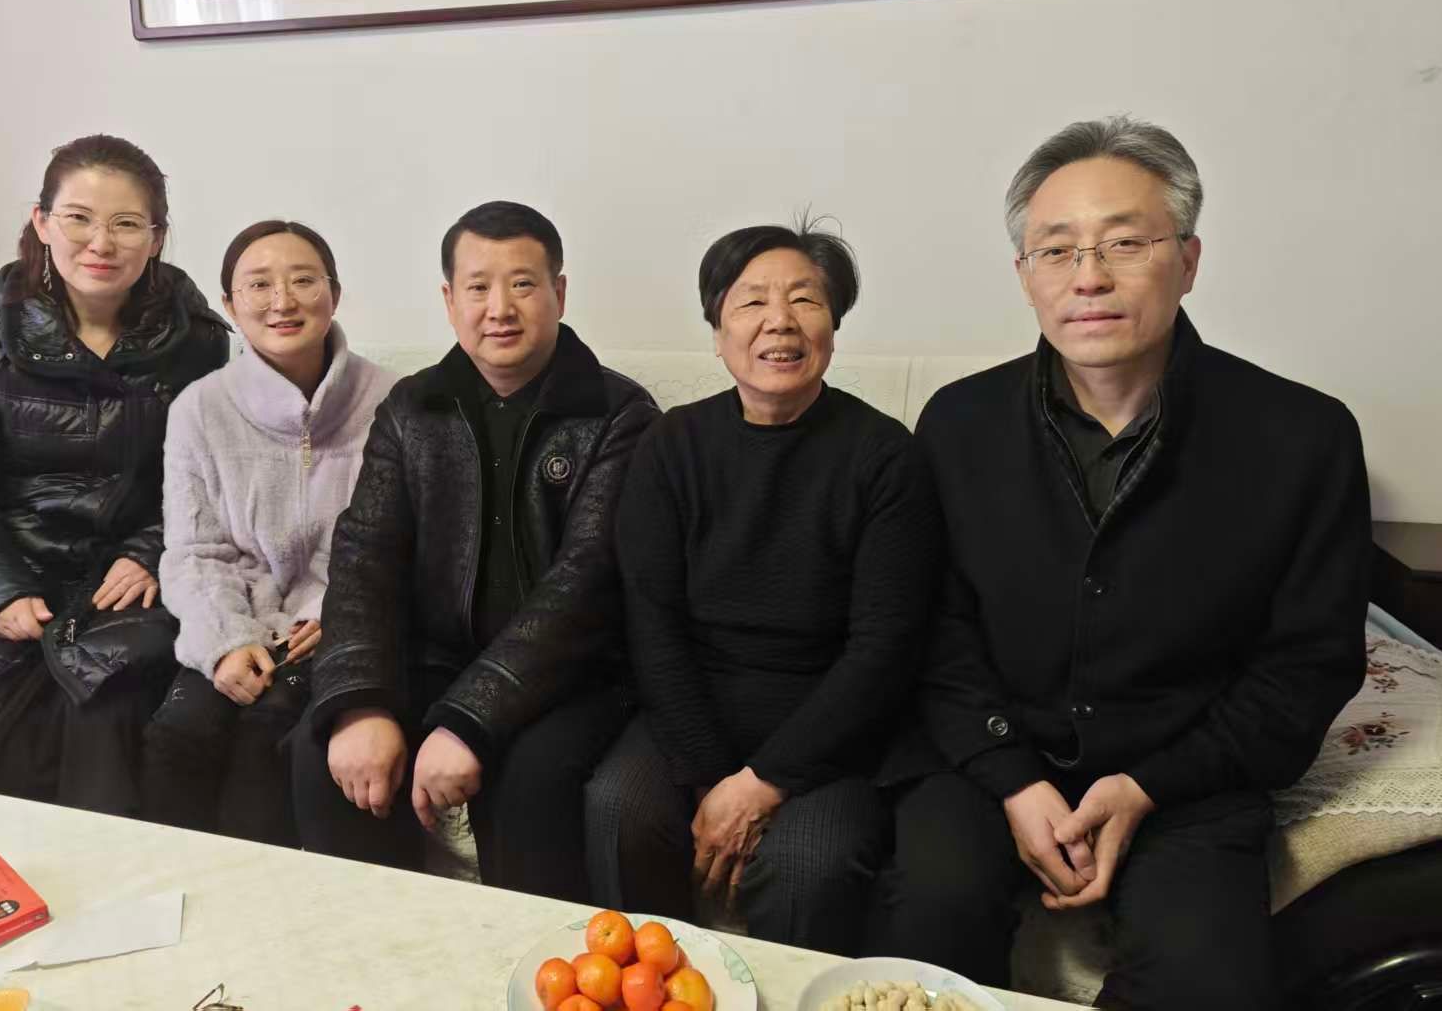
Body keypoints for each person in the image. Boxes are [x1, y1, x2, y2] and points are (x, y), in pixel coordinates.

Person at [872, 116, 1373, 1007]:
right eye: (1057, 250)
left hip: (1189, 775)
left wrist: (1148, 784)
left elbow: (1309, 664)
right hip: (990, 758)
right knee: (923, 933)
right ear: (1024, 275)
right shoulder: (957, 422)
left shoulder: (1304, 436)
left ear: (1189, 259)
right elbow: (933, 630)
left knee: (1210, 982)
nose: (1089, 276)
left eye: (1124, 243)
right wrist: (1013, 779)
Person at [585, 221, 941, 954]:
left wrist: (762, 783)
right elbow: (652, 623)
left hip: (830, 726)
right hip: (693, 709)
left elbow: (884, 648)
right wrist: (712, 776)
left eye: (804, 299)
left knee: (806, 864)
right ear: (717, 331)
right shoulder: (671, 446)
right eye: (752, 302)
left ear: (833, 326)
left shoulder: (885, 457)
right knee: (618, 808)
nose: (780, 321)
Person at [293, 201, 658, 901]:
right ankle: (376, 953)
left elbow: (585, 585)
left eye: (522, 284)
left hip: (570, 680)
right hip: (434, 660)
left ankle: (528, 960)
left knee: (527, 781)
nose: (500, 308)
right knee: (322, 753)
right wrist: (359, 702)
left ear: (559, 292)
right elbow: (364, 556)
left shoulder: (620, 415)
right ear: (449, 299)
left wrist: (468, 721)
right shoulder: (412, 408)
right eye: (478, 286)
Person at [0, 135, 228, 815]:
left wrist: (151, 551)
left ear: (156, 238)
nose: (100, 243)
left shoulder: (196, 338)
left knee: (108, 705)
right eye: (78, 217)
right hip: (14, 569)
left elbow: (208, 480)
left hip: (133, 582)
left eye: (126, 223)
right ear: (42, 221)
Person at [141, 220, 396, 845]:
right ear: (230, 305)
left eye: (303, 280)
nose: (282, 301)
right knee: (178, 733)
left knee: (268, 739)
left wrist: (335, 612)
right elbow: (194, 551)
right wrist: (227, 641)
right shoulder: (199, 408)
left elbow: (397, 544)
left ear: (334, 293)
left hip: (337, 627)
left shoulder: (392, 402)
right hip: (239, 620)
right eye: (258, 285)